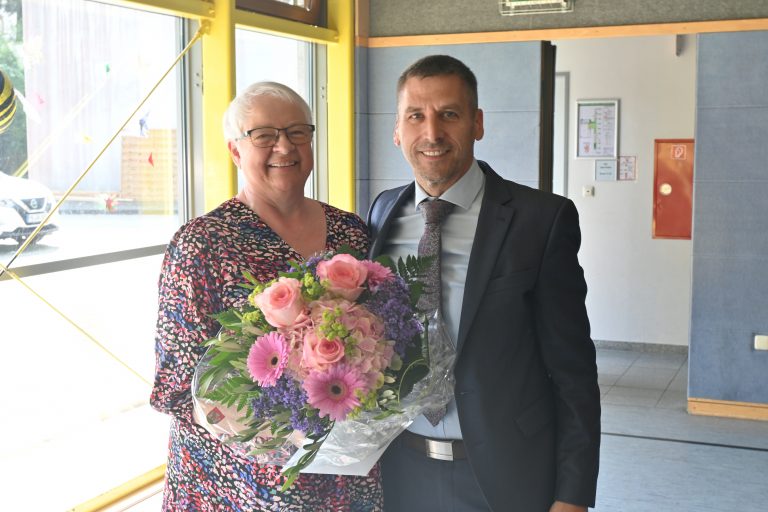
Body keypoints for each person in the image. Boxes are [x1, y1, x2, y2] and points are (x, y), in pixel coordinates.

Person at [367, 55, 600, 511]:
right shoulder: (382, 212)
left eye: (449, 114)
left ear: (477, 123)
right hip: (399, 471)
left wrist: (572, 496)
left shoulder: (542, 220)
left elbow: (574, 373)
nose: (432, 133)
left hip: (505, 475)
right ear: (397, 130)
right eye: (416, 116)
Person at [150, 82, 383, 511]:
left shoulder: (351, 232)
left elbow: (383, 338)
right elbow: (178, 387)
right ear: (236, 151)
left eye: (298, 132)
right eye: (264, 135)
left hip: (343, 470)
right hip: (237, 482)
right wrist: (280, 433)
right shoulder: (202, 244)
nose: (284, 146)